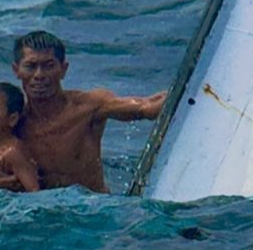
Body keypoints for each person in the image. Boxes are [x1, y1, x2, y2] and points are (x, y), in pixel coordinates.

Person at [9, 30, 166, 193]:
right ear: (16, 70)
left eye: (49, 66)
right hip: (41, 206)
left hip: (95, 204)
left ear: (63, 69)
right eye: (30, 66)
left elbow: (146, 108)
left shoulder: (88, 107)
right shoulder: (13, 121)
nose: (39, 75)